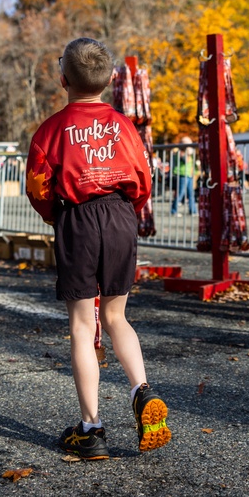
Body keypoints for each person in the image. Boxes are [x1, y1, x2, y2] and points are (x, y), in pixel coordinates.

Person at [26, 37, 171, 461]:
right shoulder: (124, 125)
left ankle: (91, 428)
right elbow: (143, 177)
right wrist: (128, 210)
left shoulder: (52, 129)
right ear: (110, 79)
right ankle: (141, 391)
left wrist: (57, 216)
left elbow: (38, 186)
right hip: (121, 216)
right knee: (115, 315)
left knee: (82, 326)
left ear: (63, 79)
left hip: (78, 218)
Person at [170, 138, 197, 216]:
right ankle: (174, 211)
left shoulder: (189, 153)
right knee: (180, 193)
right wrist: (187, 152)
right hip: (182, 175)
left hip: (189, 175)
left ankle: (193, 211)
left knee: (191, 194)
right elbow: (186, 161)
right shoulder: (179, 152)